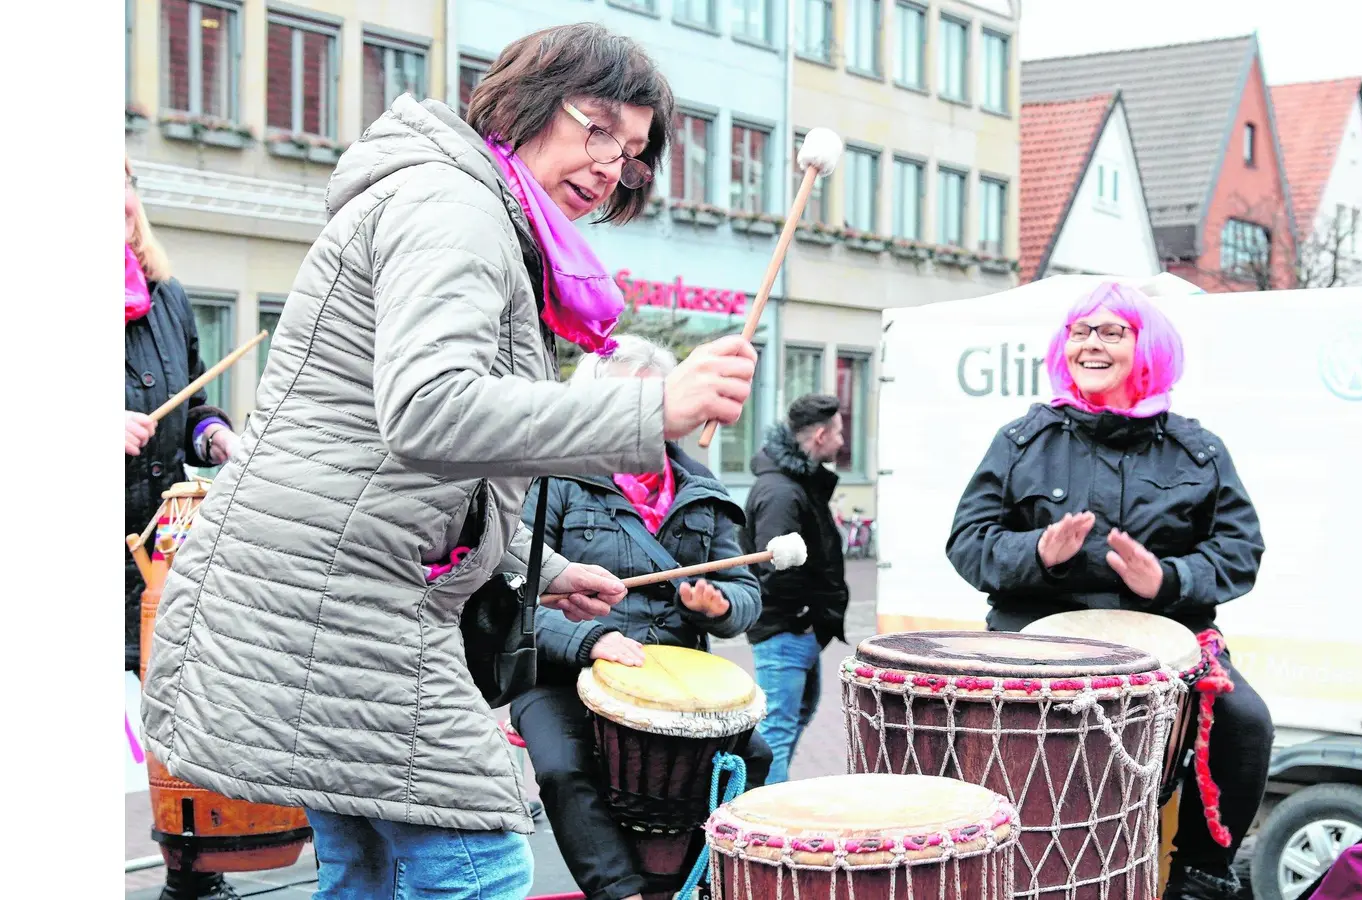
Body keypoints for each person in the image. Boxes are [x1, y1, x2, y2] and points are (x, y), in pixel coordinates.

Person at [140, 24, 758, 900]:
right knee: (478, 864)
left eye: (631, 153)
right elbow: (429, 412)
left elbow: (427, 471)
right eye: (598, 129)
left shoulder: (474, 209)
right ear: (530, 102)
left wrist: (536, 568)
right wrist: (655, 406)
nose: (610, 166)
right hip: (341, 591)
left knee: (369, 866)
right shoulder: (456, 206)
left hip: (332, 578)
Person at [944, 281, 1271, 900]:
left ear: (1147, 347)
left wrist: (1169, 580)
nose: (1091, 344)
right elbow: (968, 542)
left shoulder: (1197, 452)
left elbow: (1239, 551)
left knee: (1245, 720)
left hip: (1169, 636)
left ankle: (1202, 872)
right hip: (1035, 633)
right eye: (1080, 331)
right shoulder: (1021, 442)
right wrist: (1036, 552)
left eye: (1111, 331)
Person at [508, 335, 770, 900]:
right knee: (561, 768)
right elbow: (512, 596)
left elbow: (746, 595)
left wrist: (721, 606)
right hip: (564, 671)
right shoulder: (552, 480)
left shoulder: (703, 491)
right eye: (630, 407)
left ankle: (703, 880)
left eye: (657, 404)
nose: (646, 421)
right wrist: (591, 640)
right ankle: (619, 891)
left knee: (754, 757)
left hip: (676, 680)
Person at [124, 156, 245, 900]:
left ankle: (192, 871)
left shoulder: (166, 297)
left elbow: (196, 402)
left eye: (123, 187)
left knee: (176, 707)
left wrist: (214, 436)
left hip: (160, 549)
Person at [741, 394, 849, 785]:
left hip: (798, 630)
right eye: (838, 431)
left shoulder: (798, 483)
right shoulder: (782, 492)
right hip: (786, 630)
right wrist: (802, 618)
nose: (842, 439)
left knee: (794, 718)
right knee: (777, 735)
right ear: (820, 435)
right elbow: (774, 565)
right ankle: (769, 823)